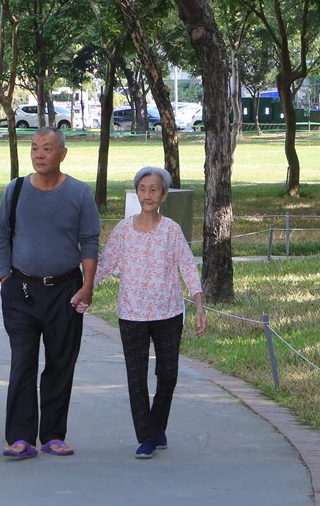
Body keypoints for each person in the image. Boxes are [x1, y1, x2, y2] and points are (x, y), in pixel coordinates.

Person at [0, 127, 101, 459]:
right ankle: (20, 438)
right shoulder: (17, 190)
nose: (40, 155)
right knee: (22, 362)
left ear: (63, 154)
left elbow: (91, 242)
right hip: (21, 291)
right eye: (35, 148)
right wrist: (5, 279)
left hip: (65, 291)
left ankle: (53, 435)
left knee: (59, 364)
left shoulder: (80, 194)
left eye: (48, 149)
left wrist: (87, 285)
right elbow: (0, 237)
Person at [85, 166, 206, 459]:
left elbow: (188, 266)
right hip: (132, 314)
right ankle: (147, 437)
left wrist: (199, 303)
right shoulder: (124, 230)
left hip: (168, 313)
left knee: (168, 374)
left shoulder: (171, 230)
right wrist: (84, 290)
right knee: (136, 376)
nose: (148, 195)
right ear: (136, 192)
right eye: (143, 189)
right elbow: (105, 265)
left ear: (163, 194)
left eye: (154, 189)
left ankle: (156, 425)